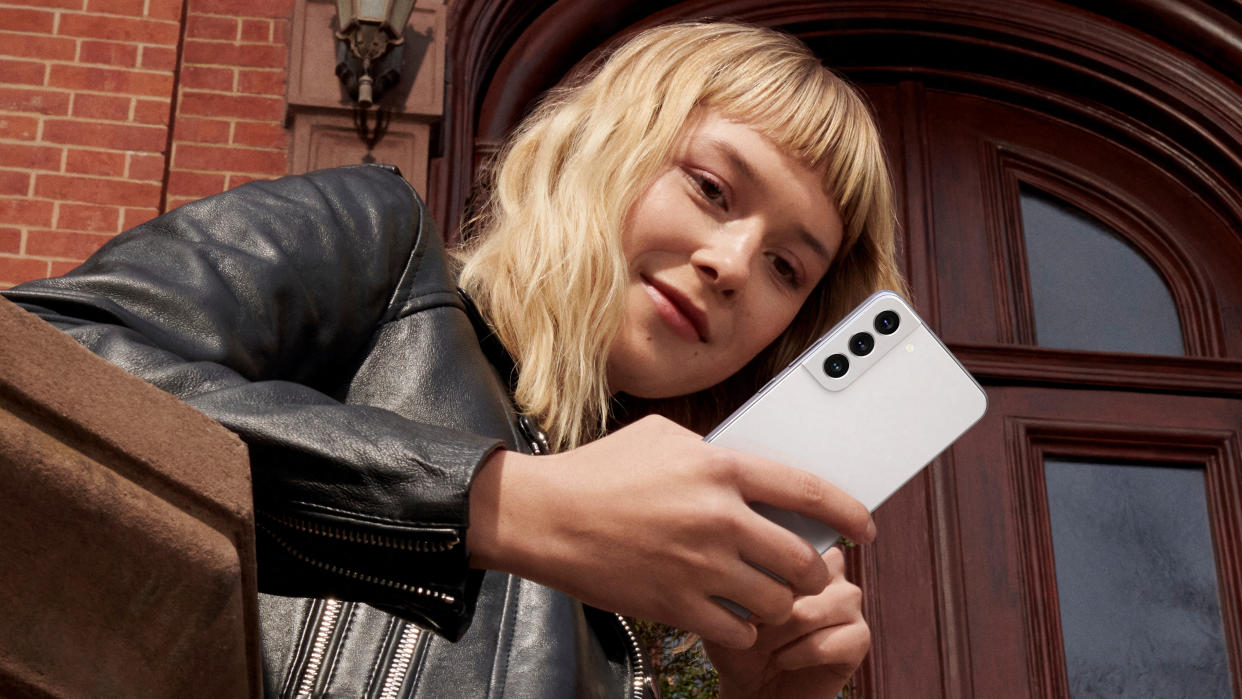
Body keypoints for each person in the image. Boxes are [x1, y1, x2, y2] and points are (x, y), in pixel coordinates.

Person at [3, 20, 905, 699]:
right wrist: (498, 505)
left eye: (788, 266)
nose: (734, 264)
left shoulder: (645, 611)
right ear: (609, 142)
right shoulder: (378, 246)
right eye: (711, 187)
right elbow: (45, 360)